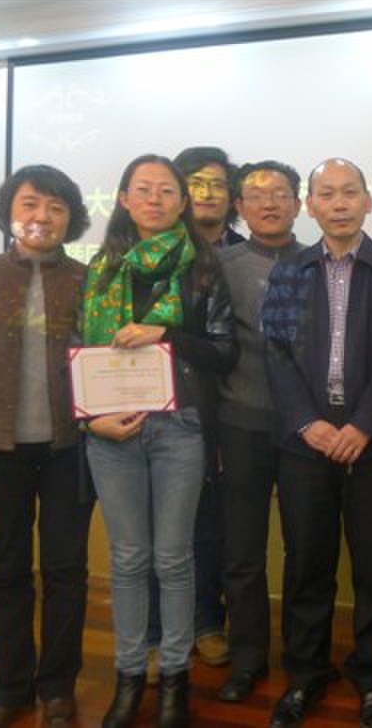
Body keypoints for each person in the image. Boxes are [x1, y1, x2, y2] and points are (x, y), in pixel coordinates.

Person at [261, 158, 372, 728]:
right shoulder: (288, 272)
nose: (339, 203)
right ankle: (305, 674)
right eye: (326, 194)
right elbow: (276, 352)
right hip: (306, 444)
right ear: (310, 206)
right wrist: (307, 422)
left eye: (349, 192)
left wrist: (364, 425)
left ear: (367, 200)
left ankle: (370, 674)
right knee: (307, 563)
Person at [82, 154, 236, 728]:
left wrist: (165, 333)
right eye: (142, 189)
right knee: (127, 560)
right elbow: (76, 353)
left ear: (182, 202)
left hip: (179, 429)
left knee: (173, 558)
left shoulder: (203, 268)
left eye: (166, 190)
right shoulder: (99, 270)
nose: (154, 199)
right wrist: (88, 421)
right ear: (124, 199)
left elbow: (225, 350)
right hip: (110, 431)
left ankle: (174, 677)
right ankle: (129, 676)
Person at [0, 166, 92, 728]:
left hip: (70, 449)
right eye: (30, 203)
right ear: (9, 211)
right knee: (5, 572)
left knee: (66, 570)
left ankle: (58, 688)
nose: (41, 216)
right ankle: (8, 689)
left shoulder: (87, 280)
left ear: (71, 219)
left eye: (56, 207)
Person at [139, 146, 245, 680]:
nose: (206, 194)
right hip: (150, 412)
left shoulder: (243, 257)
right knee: (152, 530)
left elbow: (232, 347)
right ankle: (155, 631)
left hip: (224, 413)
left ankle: (206, 620)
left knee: (209, 525)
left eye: (217, 184)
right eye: (195, 184)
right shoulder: (143, 256)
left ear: (233, 197)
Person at [214, 160, 306, 703]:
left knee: (304, 547)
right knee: (243, 550)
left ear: (298, 203)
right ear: (239, 206)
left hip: (304, 429)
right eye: (257, 195)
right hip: (240, 423)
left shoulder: (318, 263)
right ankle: (247, 658)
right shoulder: (219, 265)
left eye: (281, 194)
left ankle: (302, 658)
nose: (269, 204)